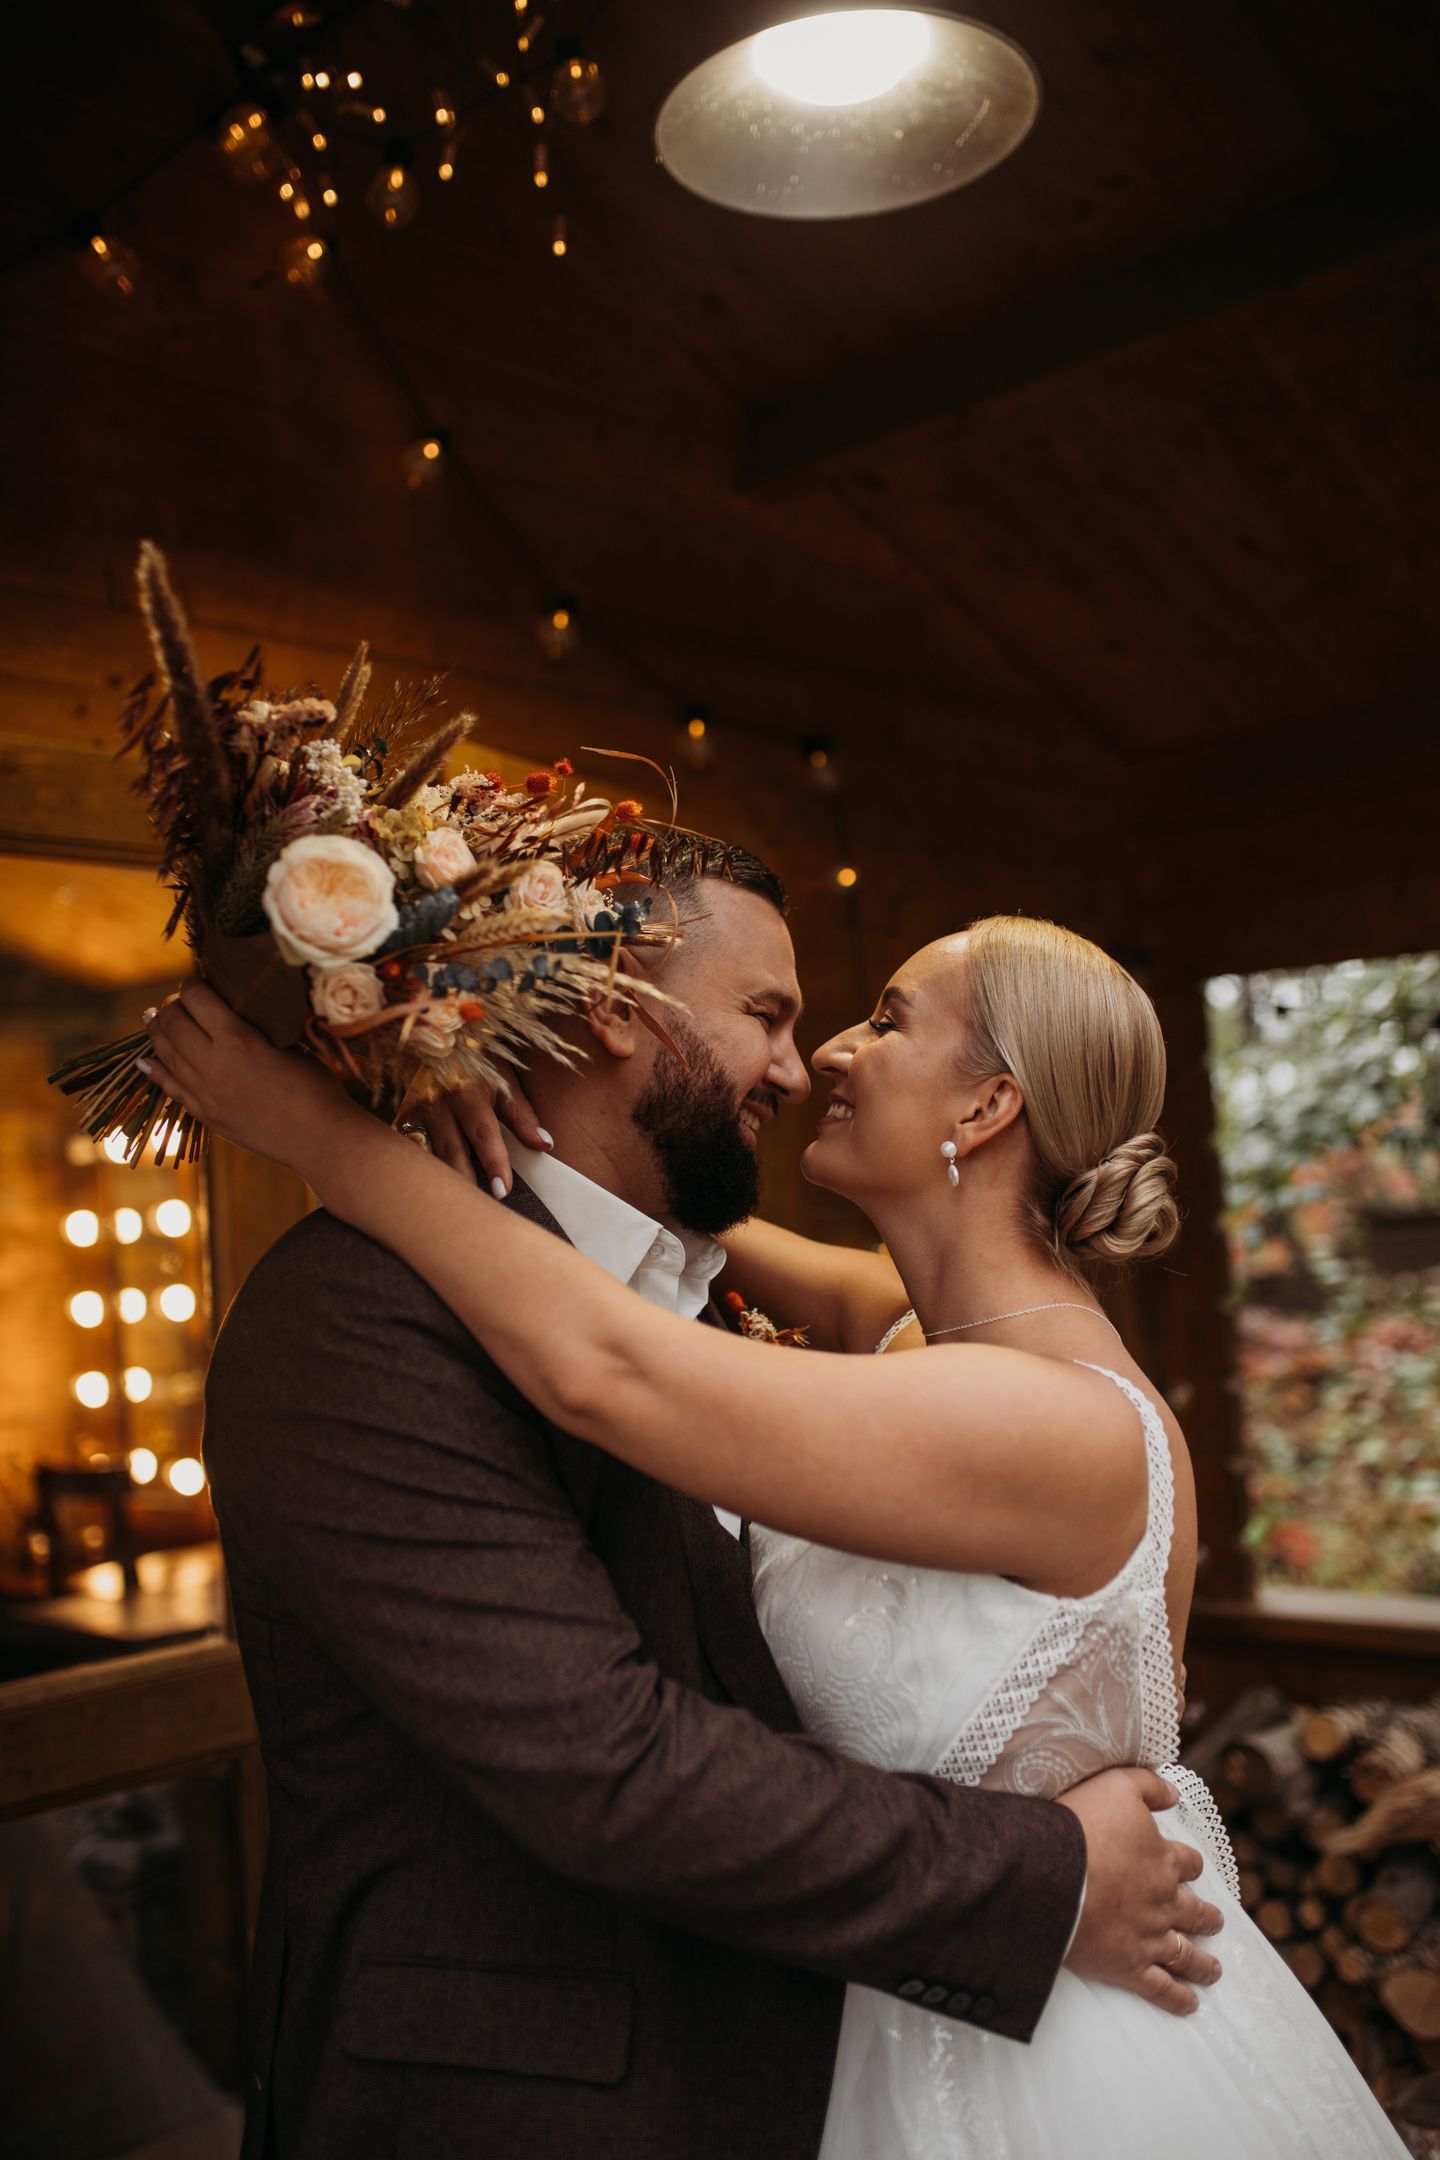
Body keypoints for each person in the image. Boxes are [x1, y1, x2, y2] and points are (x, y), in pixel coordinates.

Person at [149, 868, 1229, 2160]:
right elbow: (635, 1252)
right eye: (770, 1014)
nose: (811, 1061)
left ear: (991, 1106)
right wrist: (454, 1088)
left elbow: (607, 1363)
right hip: (538, 2105)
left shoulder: (1040, 1413)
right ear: (616, 1009)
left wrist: (327, 1137)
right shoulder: (887, 1324)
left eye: (880, 1022)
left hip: (1015, 2048)